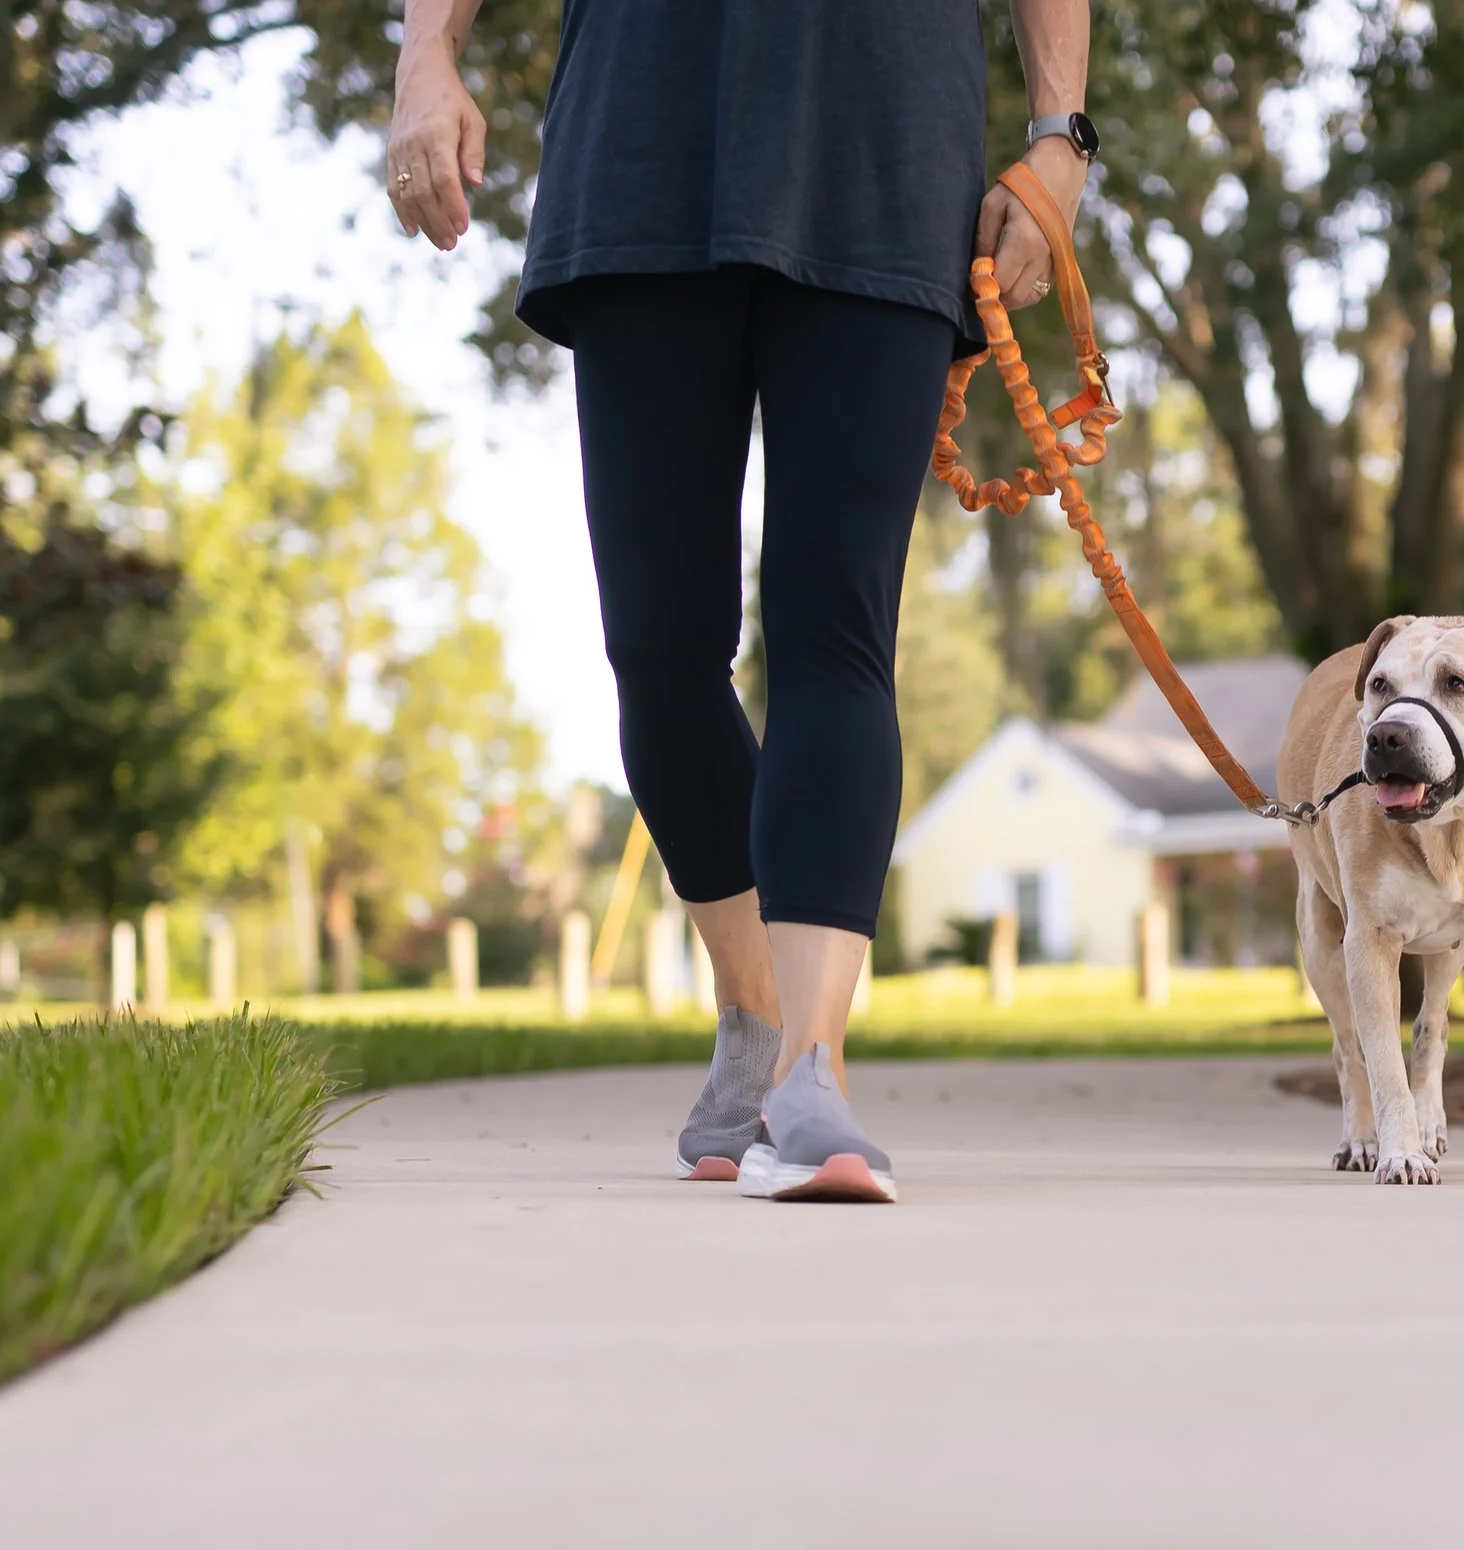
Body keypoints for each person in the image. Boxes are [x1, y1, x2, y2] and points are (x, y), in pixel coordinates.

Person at [386, 0, 1099, 1202]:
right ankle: (755, 1009)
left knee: (835, 631)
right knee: (660, 649)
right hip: (642, 154)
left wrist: (1061, 142)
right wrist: (424, 55)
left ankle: (814, 1070)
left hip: (881, 155)